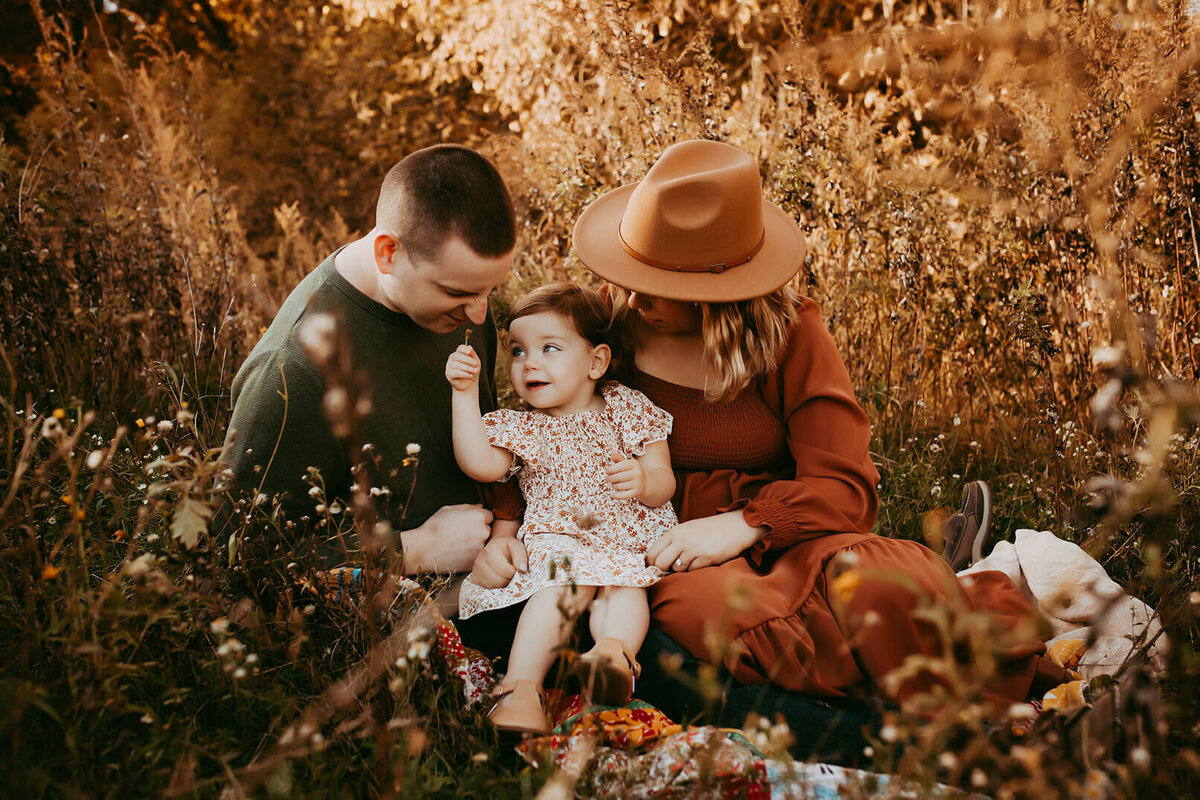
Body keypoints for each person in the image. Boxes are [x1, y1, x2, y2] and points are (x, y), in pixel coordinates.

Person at [470, 140, 1068, 761]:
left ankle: (959, 616)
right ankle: (903, 727)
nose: (628, 295)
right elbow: (540, 412)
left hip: (795, 528)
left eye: (654, 284)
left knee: (887, 587)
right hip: (669, 536)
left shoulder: (790, 335)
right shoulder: (610, 324)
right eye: (629, 275)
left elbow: (846, 487)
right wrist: (506, 525)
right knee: (717, 621)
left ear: (716, 290)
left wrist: (747, 523)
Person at [223, 144, 519, 577]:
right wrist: (412, 550)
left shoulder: (462, 292)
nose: (478, 313)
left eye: (489, 290)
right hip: (401, 624)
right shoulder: (292, 373)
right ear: (388, 253)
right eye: (457, 293)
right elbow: (240, 555)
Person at [447, 283, 678, 735]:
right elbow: (478, 461)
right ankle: (520, 691)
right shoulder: (526, 427)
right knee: (558, 591)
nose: (528, 362)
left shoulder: (627, 407)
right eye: (517, 351)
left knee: (624, 589)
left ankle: (613, 656)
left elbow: (664, 479)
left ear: (596, 362)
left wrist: (645, 480)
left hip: (626, 537)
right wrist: (464, 393)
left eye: (548, 348)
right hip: (560, 541)